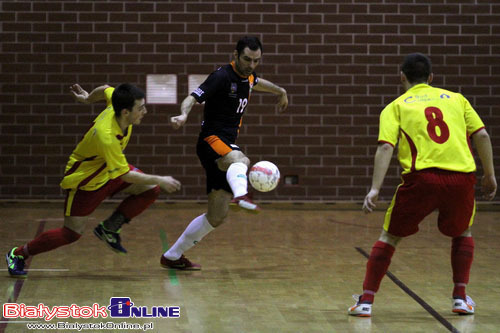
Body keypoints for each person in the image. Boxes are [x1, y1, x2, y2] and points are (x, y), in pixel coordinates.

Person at [348, 53, 497, 317]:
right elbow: (482, 134)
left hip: (422, 180)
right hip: (461, 179)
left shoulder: (395, 106)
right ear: (431, 78)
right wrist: (489, 174)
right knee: (463, 233)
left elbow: (385, 147)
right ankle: (460, 298)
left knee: (390, 237)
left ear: (402, 77)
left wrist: (374, 189)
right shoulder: (457, 99)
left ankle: (366, 302)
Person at [6, 83, 182, 278]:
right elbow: (125, 175)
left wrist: (87, 98)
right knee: (71, 233)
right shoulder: (106, 135)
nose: (145, 111)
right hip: (86, 182)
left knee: (150, 188)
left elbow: (105, 88)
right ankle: (18, 254)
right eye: (140, 108)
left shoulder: (117, 100)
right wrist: (161, 178)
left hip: (109, 170)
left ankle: (109, 228)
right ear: (125, 112)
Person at [160, 36, 288, 270]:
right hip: (211, 141)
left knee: (216, 216)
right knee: (241, 159)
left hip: (225, 145)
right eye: (247, 59)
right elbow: (192, 97)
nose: (251, 65)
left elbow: (256, 82)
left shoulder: (249, 75)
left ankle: (172, 256)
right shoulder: (221, 76)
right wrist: (183, 114)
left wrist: (280, 91)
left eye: (256, 61)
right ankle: (242, 194)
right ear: (235, 55)